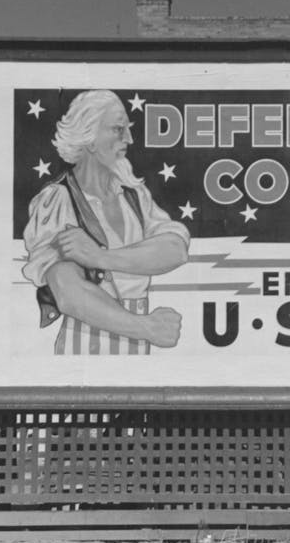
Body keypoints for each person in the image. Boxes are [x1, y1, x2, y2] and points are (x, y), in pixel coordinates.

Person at [22, 89, 189, 355]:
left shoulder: (134, 193)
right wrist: (146, 328)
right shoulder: (58, 200)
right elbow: (69, 294)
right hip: (87, 342)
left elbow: (175, 249)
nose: (129, 139)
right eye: (118, 129)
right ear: (89, 138)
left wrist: (99, 257)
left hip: (139, 344)